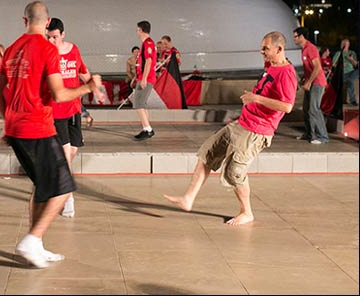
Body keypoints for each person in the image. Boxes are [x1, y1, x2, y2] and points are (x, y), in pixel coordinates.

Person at [0, 1, 101, 269]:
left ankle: (36, 245)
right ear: (48, 21)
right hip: (37, 127)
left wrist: (7, 122)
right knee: (64, 187)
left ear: (24, 20)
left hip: (16, 129)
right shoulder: (46, 48)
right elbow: (60, 94)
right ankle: (32, 239)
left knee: (42, 186)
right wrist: (88, 87)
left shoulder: (13, 48)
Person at [164, 31, 297, 226]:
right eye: (261, 47)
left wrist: (257, 98)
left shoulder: (287, 73)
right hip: (243, 122)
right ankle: (188, 198)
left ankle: (247, 212)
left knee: (235, 172)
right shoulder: (270, 65)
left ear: (279, 49)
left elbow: (287, 106)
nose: (261, 52)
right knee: (207, 153)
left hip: (257, 130)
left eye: (265, 48)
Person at [46, 17, 103, 219]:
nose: (51, 41)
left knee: (71, 152)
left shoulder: (73, 50)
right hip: (56, 110)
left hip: (74, 109)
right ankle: (68, 198)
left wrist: (96, 92)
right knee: (65, 153)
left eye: (54, 37)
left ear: (63, 34)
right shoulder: (46, 54)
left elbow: (84, 73)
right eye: (48, 37)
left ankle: (56, 179)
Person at [293, 27, 328, 144]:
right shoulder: (303, 49)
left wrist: (309, 82)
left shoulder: (311, 48)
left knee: (314, 109)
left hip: (317, 83)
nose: (294, 39)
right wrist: (304, 79)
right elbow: (309, 68)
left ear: (302, 36)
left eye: (296, 36)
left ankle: (322, 136)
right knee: (306, 109)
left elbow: (317, 67)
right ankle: (310, 134)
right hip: (310, 82)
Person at [133, 21, 157, 141]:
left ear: (141, 30)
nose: (137, 32)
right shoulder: (146, 44)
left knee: (138, 104)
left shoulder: (148, 43)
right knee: (142, 104)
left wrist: (144, 79)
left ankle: (148, 129)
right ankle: (146, 129)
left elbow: (148, 61)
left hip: (146, 78)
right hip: (143, 77)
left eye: (137, 30)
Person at [332, 38, 358, 105]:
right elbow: (333, 64)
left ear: (349, 45)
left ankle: (351, 100)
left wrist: (351, 59)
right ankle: (352, 100)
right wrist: (340, 65)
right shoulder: (338, 53)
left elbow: (355, 64)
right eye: (343, 43)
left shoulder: (352, 53)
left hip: (352, 72)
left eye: (346, 43)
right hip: (343, 73)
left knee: (350, 79)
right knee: (349, 81)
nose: (345, 45)